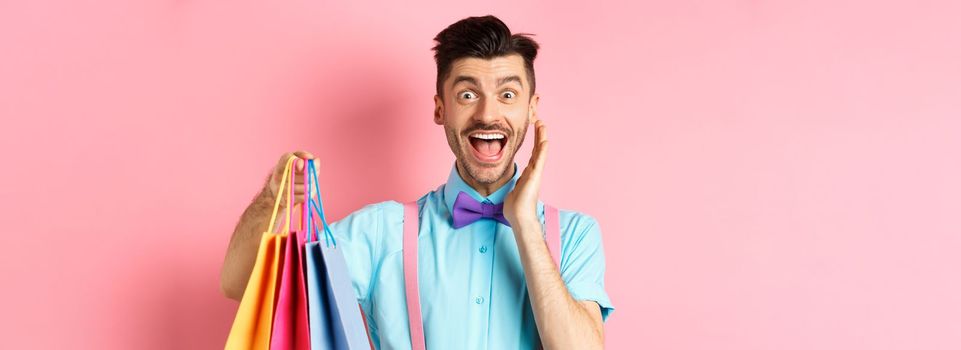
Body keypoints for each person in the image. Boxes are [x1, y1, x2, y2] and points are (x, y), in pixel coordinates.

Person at [220, 15, 614, 349]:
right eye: (467, 94)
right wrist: (271, 199)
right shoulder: (382, 232)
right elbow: (240, 284)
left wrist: (526, 224)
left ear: (531, 108)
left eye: (507, 94)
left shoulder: (575, 235)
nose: (488, 113)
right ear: (440, 108)